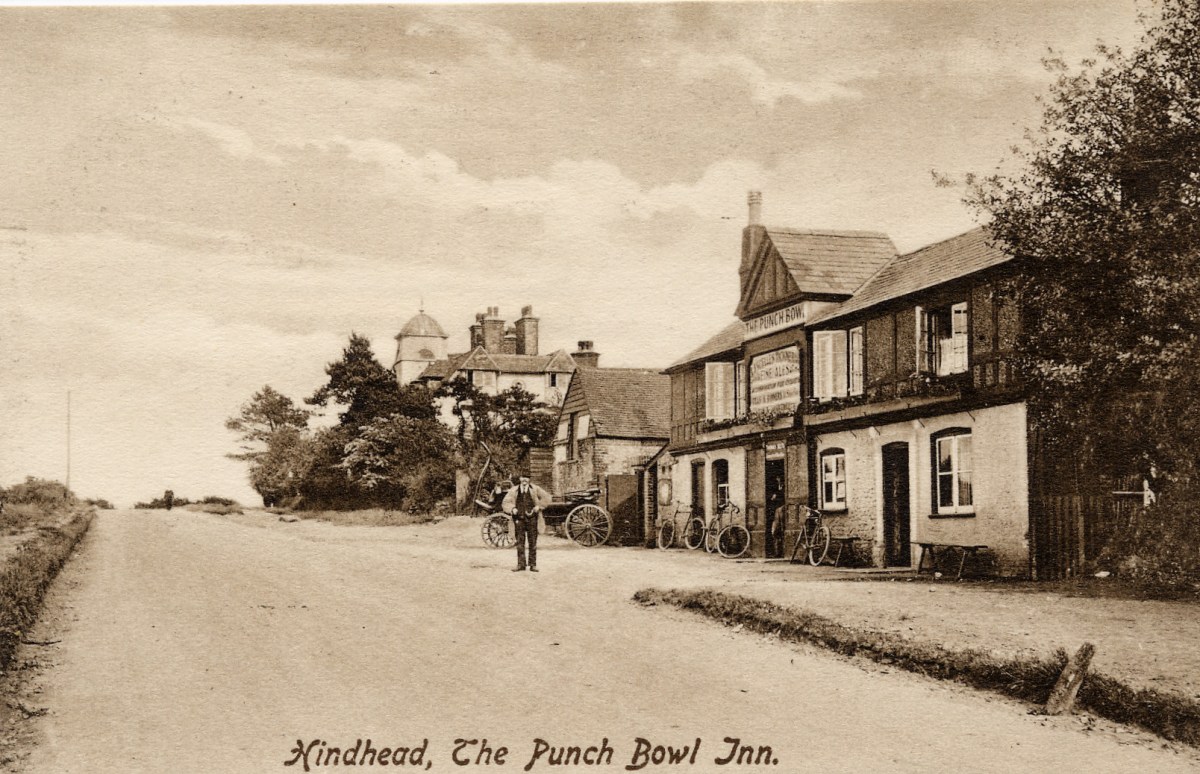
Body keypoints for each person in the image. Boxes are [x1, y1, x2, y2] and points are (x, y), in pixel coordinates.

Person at [501, 474, 552, 572]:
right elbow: (505, 502)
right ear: (520, 479)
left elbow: (547, 498)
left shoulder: (535, 489)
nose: (524, 479)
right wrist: (512, 508)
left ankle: (533, 565)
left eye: (527, 477)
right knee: (520, 542)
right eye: (522, 477)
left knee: (533, 542)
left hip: (532, 519)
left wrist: (539, 506)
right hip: (519, 519)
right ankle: (521, 565)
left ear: (529, 479)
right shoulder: (514, 490)